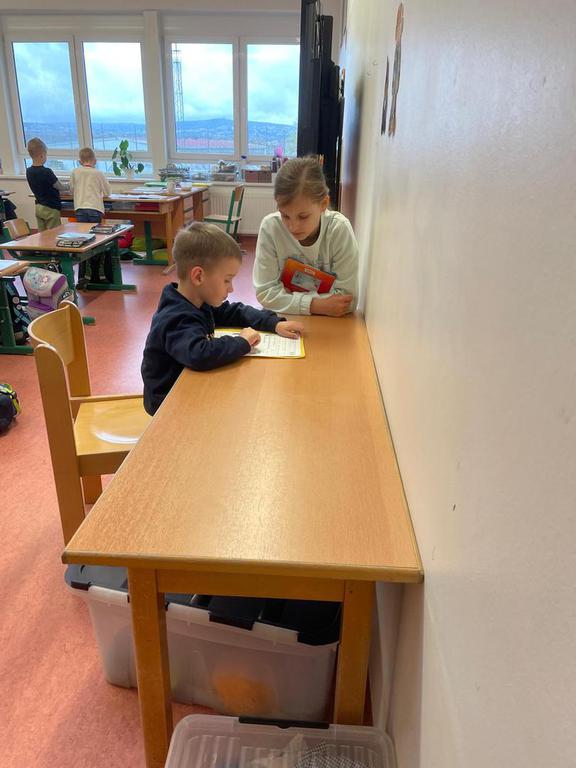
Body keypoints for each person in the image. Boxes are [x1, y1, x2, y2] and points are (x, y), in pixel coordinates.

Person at [141, 221, 304, 416]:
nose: (231, 288)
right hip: (168, 404)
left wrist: (273, 323)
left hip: (192, 388)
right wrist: (241, 342)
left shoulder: (198, 301)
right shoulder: (176, 317)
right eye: (227, 280)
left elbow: (235, 312)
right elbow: (199, 354)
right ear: (199, 276)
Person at [253, 156, 359, 316]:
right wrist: (316, 305)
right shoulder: (271, 227)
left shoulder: (339, 229)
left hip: (330, 323)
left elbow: (346, 301)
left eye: (303, 217)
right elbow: (265, 293)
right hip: (284, 321)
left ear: (323, 204)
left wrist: (287, 298)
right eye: (285, 215)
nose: (293, 227)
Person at [70, 147, 111, 284]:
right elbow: (107, 192)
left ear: (80, 161)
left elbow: (71, 189)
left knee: (83, 240)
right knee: (96, 240)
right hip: (95, 209)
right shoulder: (98, 173)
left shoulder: (75, 172)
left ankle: (84, 275)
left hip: (80, 209)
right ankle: (98, 274)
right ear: (95, 160)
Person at [25, 137, 68, 231]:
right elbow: (60, 187)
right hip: (51, 208)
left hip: (39, 207)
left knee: (42, 234)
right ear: (42, 155)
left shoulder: (29, 171)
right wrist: (71, 184)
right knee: (54, 233)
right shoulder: (47, 172)